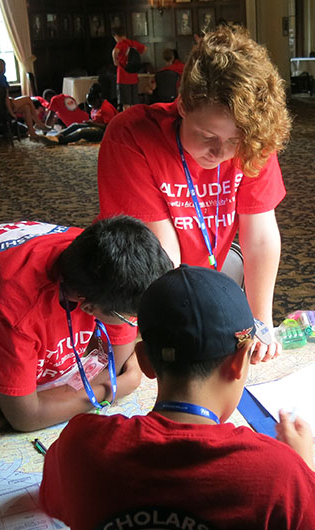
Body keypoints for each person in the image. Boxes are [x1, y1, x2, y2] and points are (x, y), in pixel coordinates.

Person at [39, 266, 315, 530]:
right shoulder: (279, 474)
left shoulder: (81, 445)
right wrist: (305, 469)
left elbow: (53, 500)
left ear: (144, 361)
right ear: (240, 363)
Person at [98, 26, 291, 363]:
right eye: (207, 136)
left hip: (202, 282)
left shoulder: (253, 139)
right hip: (134, 289)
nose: (221, 152)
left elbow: (259, 235)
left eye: (235, 141)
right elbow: (161, 257)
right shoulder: (132, 136)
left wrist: (261, 321)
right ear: (183, 104)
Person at [0, 216, 172, 436]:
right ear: (87, 306)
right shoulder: (14, 307)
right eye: (131, 319)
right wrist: (112, 390)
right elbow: (27, 418)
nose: (135, 326)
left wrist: (33, 408)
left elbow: (115, 364)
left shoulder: (102, 261)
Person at [0, 58, 49, 138]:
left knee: (26, 107)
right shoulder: (1, 78)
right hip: (4, 107)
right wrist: (11, 112)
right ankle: (39, 124)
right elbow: (6, 98)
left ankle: (32, 133)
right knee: (28, 99)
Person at [44, 83, 118, 145]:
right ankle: (56, 136)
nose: (93, 106)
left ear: (98, 99)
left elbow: (108, 127)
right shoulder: (96, 107)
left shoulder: (106, 108)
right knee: (75, 125)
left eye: (94, 104)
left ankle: (61, 140)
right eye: (91, 105)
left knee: (81, 132)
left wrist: (93, 124)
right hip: (95, 126)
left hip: (104, 132)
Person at [111, 26, 147, 110]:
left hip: (123, 77)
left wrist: (115, 61)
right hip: (133, 76)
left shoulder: (121, 44)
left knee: (126, 102)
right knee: (134, 102)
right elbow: (144, 49)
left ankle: (126, 119)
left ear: (116, 36)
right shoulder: (132, 43)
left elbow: (115, 51)